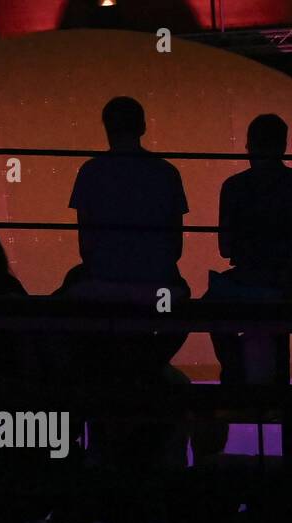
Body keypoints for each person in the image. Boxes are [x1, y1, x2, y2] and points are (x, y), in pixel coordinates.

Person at [64, 95, 190, 374]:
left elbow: (86, 246)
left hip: (103, 281)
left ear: (106, 128)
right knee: (185, 299)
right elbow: (175, 247)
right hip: (158, 283)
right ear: (143, 127)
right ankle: (149, 367)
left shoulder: (90, 172)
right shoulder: (167, 173)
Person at [210, 113, 292, 388]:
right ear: (283, 145)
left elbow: (225, 248)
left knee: (208, 307)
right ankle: (277, 390)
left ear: (249, 146)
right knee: (279, 324)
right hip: (289, 281)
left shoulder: (234, 186)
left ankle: (235, 373)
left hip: (248, 277)